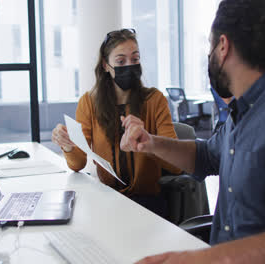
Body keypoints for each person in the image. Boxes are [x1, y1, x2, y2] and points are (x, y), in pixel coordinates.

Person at [122, 0, 265, 263]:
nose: (209, 57)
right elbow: (206, 156)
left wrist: (208, 259)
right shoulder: (244, 110)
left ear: (223, 46)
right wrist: (151, 143)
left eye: (209, 47)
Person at [52, 28, 181, 218]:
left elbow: (176, 165)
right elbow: (78, 164)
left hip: (148, 204)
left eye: (135, 59)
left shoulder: (155, 100)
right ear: (105, 65)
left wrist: (148, 142)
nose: (130, 65)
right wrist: (68, 145)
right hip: (107, 200)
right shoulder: (89, 103)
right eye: (121, 61)